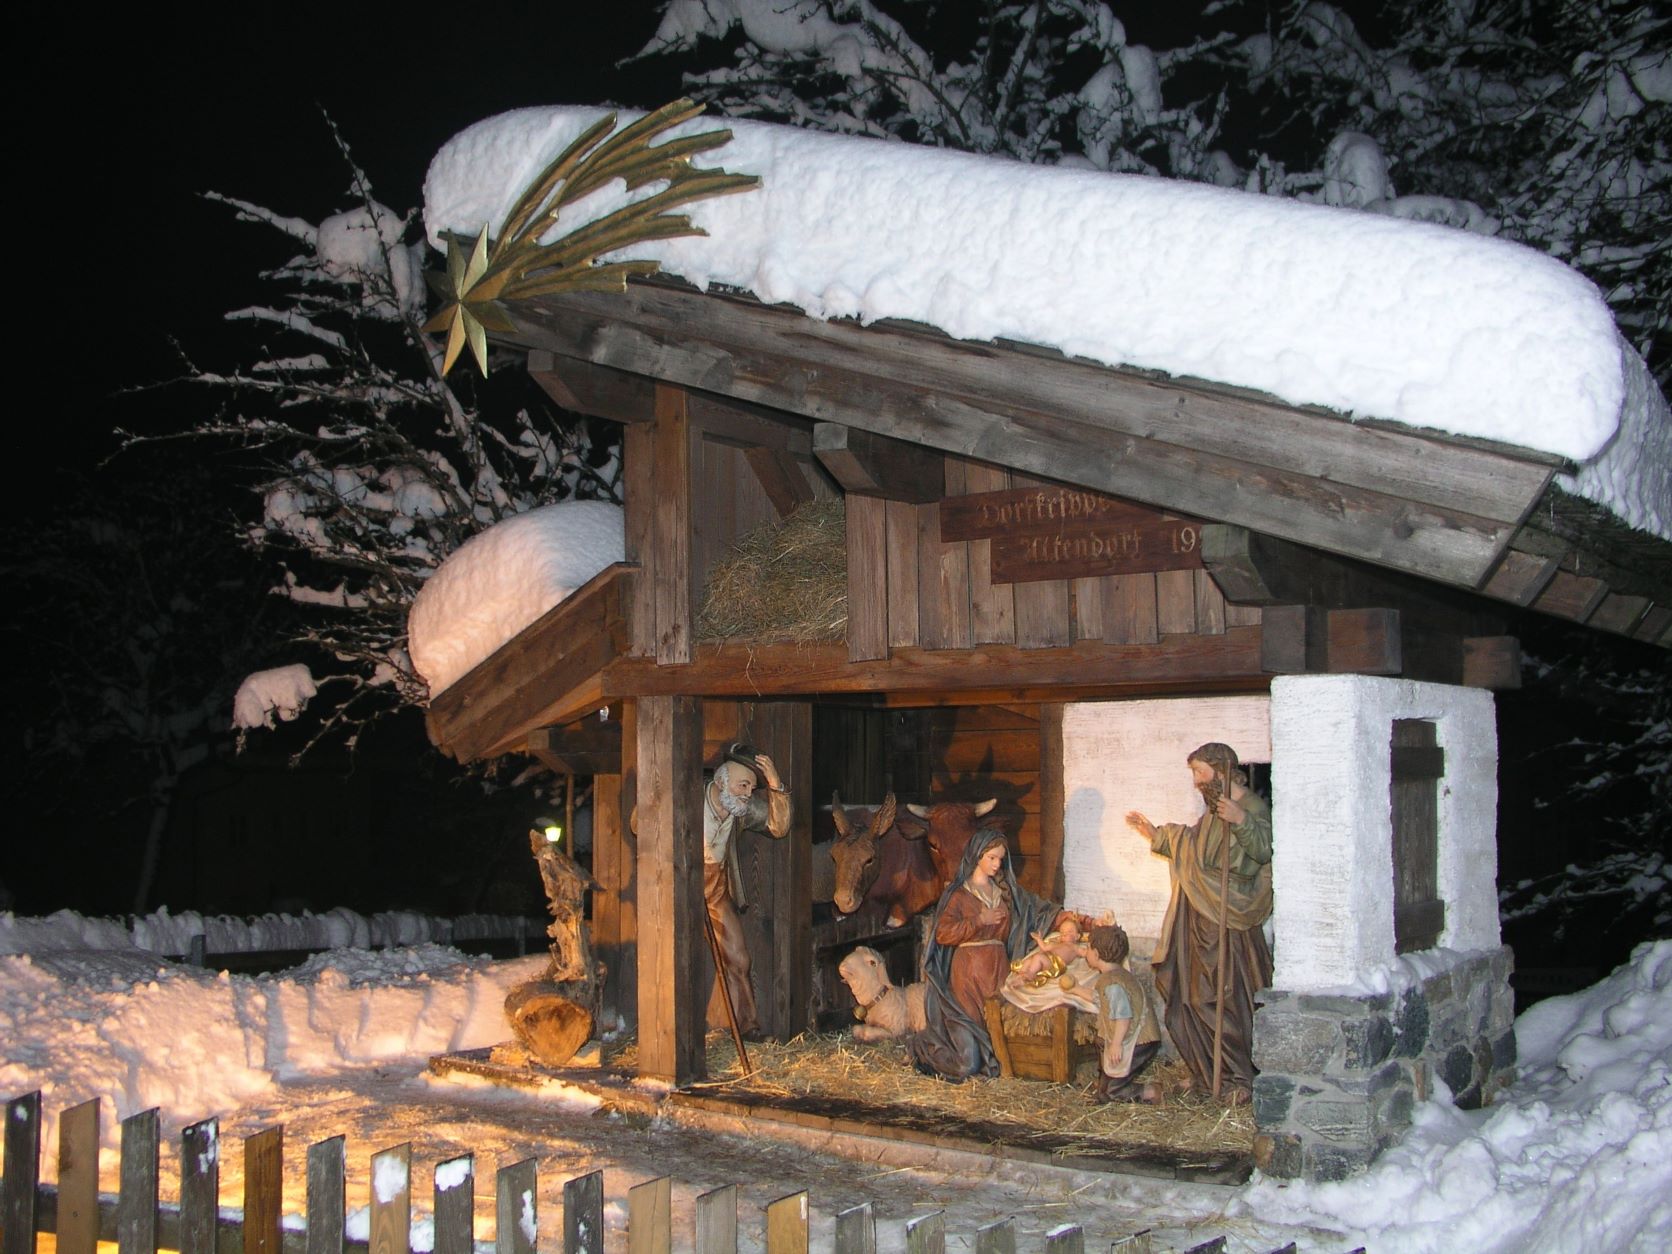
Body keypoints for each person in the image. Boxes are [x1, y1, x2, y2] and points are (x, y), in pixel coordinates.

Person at [1125, 742, 1272, 1105]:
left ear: (1221, 769)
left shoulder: (1249, 807)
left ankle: (1238, 1077)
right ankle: (1208, 1074)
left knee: (1221, 998)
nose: (1195, 781)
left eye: (1199, 771)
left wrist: (1240, 821)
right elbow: (1192, 845)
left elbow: (1265, 850)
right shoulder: (1211, 813)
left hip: (1226, 921)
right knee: (1186, 1000)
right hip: (1196, 921)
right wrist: (1157, 834)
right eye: (1193, 772)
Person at [909, 827, 1067, 1079]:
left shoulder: (1006, 894)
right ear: (977, 856)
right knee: (968, 1062)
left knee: (1000, 1045)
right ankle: (923, 1048)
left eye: (1000, 859)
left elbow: (1039, 913)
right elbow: (943, 934)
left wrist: (1081, 922)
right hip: (967, 980)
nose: (997, 864)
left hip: (998, 974)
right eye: (992, 858)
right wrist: (979, 920)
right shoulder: (959, 895)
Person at [702, 741, 791, 1038]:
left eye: (751, 789)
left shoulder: (738, 808)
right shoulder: (689, 798)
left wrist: (775, 784)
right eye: (743, 785)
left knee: (739, 958)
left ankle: (744, 1027)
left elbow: (779, 826)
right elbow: (642, 821)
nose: (746, 794)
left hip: (714, 890)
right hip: (676, 888)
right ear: (722, 781)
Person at [1084, 923, 1163, 1104]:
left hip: (1138, 1041)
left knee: (1114, 1091)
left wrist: (1116, 1044)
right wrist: (1074, 989)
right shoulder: (1115, 976)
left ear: (1096, 954)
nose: (1085, 952)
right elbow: (1098, 998)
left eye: (1088, 948)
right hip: (1128, 1039)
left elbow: (1123, 1016)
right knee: (1105, 1088)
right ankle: (1105, 1094)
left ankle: (1150, 1091)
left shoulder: (1113, 984)